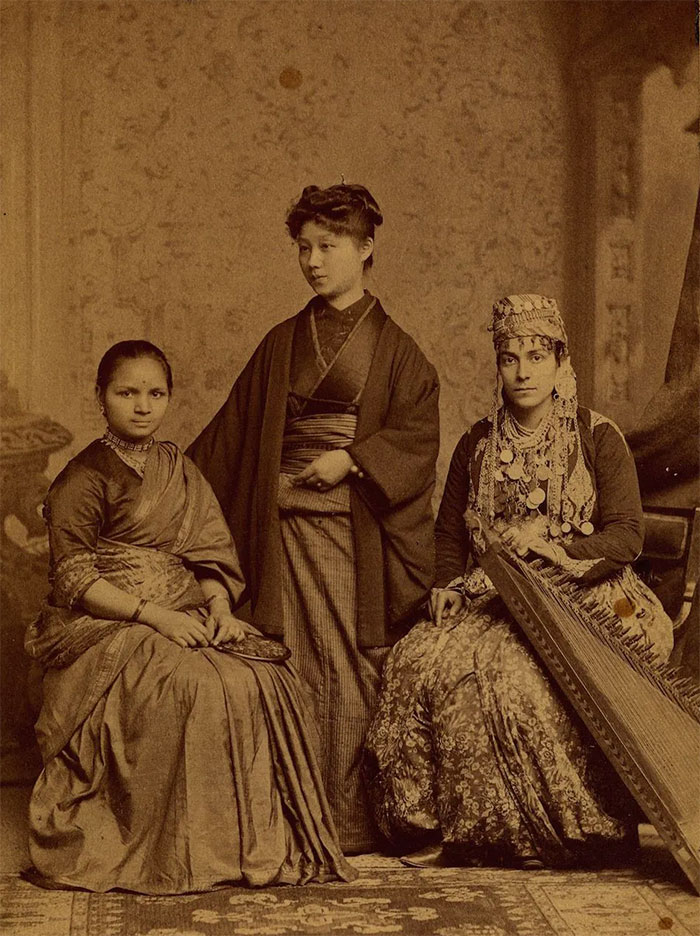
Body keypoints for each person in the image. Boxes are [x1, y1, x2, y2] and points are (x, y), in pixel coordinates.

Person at [24, 340, 354, 894]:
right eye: (126, 393)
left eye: (156, 394)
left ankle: (252, 846)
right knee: (192, 684)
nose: (142, 406)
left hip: (187, 609)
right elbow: (76, 581)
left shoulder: (178, 469)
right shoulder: (81, 478)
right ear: (100, 397)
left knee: (263, 676)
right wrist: (156, 618)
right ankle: (182, 852)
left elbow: (209, 553)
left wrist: (220, 608)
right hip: (106, 625)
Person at [365, 294, 674, 870]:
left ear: (560, 361)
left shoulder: (596, 436)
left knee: (508, 672)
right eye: (510, 359)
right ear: (498, 366)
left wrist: (555, 550)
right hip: (497, 594)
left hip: (590, 594)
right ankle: (441, 828)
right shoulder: (478, 442)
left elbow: (626, 535)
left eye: (536, 357)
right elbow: (450, 531)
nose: (523, 372)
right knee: (417, 658)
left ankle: (554, 832)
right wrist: (448, 584)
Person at [187, 184, 440, 853]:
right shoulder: (281, 343)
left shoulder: (399, 353)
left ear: (366, 248)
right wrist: (160, 483)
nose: (314, 261)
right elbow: (229, 436)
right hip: (279, 531)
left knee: (351, 671)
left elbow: (416, 437)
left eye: (328, 246)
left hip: (352, 533)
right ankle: (292, 819)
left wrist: (353, 459)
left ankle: (351, 822)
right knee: (289, 668)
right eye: (304, 248)